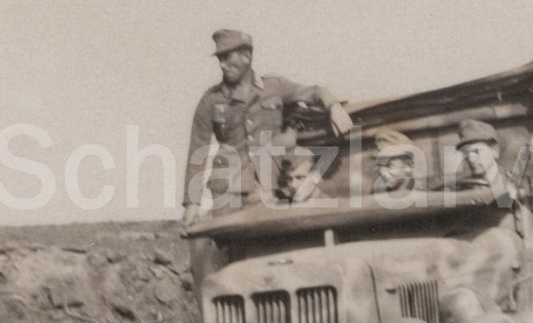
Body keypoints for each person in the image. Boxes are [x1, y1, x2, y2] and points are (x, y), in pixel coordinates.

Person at [181, 30, 352, 224]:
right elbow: (198, 148)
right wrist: (191, 202)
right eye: (220, 59)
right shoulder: (211, 99)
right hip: (227, 191)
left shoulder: (274, 87)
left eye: (227, 58)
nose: (222, 65)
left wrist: (334, 106)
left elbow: (313, 91)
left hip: (269, 184)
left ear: (246, 56)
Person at [372, 128, 424, 194]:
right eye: (379, 166)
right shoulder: (377, 194)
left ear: (409, 166)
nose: (381, 171)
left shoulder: (423, 197)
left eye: (389, 166)